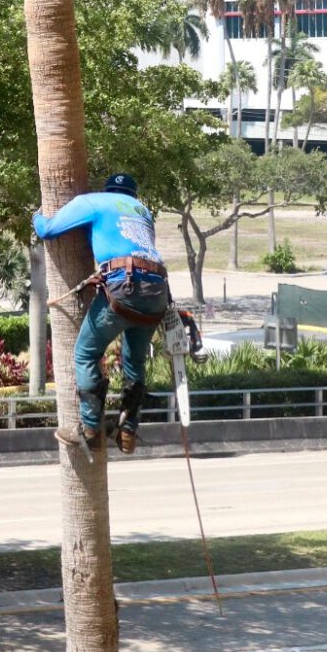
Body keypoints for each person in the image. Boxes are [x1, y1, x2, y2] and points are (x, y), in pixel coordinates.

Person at [33, 172, 202, 454]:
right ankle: (128, 431)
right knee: (134, 362)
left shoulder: (94, 201)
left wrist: (36, 216)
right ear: (133, 195)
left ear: (107, 189)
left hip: (125, 287)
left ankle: (89, 429)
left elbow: (48, 230)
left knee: (86, 353)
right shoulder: (143, 211)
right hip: (157, 291)